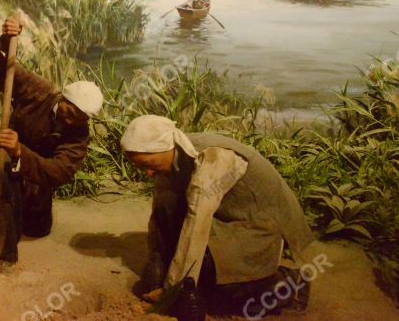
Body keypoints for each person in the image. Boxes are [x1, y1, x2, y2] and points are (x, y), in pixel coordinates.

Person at [120, 115, 315, 318]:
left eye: (148, 164)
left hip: (259, 223)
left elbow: (197, 224)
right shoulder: (170, 154)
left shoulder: (214, 159)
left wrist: (172, 291)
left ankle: (288, 283)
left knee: (217, 278)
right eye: (141, 168)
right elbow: (161, 212)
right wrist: (158, 265)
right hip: (225, 216)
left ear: (162, 148)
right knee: (168, 210)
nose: (148, 173)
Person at [0, 18, 103, 265]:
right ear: (63, 99)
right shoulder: (40, 89)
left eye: (80, 119)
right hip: (7, 148)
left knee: (38, 229)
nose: (72, 121)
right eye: (70, 112)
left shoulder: (79, 134)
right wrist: (6, 39)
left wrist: (23, 153)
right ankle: (5, 253)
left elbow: (60, 172)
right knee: (5, 175)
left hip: (39, 168)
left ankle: (20, 199)